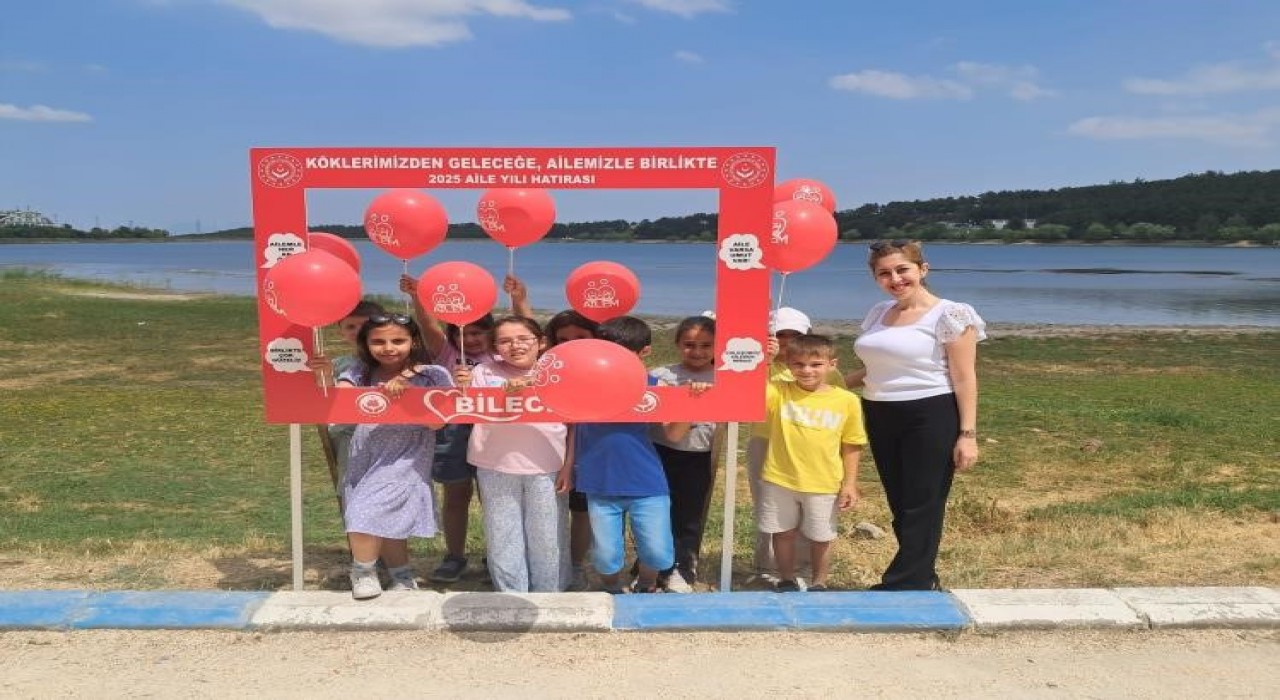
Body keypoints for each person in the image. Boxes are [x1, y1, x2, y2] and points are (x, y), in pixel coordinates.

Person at [847, 239, 986, 591]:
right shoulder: (879, 312)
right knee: (900, 500)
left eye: (902, 269)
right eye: (884, 273)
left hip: (930, 412)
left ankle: (905, 581)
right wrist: (829, 385)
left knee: (923, 500)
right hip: (879, 411)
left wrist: (967, 435)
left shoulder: (952, 314)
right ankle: (923, 576)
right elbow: (873, 366)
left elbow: (965, 376)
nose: (895, 278)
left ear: (922, 270)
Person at [400, 273, 532, 584]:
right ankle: (455, 556)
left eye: (477, 333)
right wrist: (419, 295)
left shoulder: (501, 355)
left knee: (495, 497)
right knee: (456, 494)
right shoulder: (446, 352)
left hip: (496, 433)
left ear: (491, 333)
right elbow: (427, 325)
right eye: (462, 333)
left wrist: (519, 298)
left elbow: (526, 330)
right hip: (453, 432)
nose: (470, 339)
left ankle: (497, 554)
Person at [555, 316, 691, 594]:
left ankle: (647, 584)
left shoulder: (658, 387)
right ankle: (612, 589)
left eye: (625, 352)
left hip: (647, 482)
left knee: (657, 551)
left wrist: (687, 402)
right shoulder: (584, 386)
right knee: (605, 555)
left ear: (645, 351)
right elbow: (573, 429)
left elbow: (674, 435)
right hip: (599, 482)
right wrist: (568, 467)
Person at [335, 313, 453, 599]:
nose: (389, 347)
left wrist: (410, 395)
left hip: (407, 454)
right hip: (367, 452)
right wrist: (320, 374)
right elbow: (341, 398)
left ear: (413, 342)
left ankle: (362, 571)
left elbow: (439, 422)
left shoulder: (433, 375)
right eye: (379, 341)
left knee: (364, 511)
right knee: (387, 518)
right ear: (366, 343)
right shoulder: (359, 371)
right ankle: (402, 575)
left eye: (398, 340)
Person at [454, 316, 570, 592]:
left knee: (547, 535)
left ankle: (549, 593)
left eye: (522, 339)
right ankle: (510, 593)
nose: (514, 346)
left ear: (541, 342)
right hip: (494, 465)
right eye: (504, 341)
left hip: (547, 465)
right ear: (494, 346)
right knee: (503, 533)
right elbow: (467, 407)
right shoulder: (483, 371)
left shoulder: (559, 371)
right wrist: (462, 386)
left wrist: (568, 466)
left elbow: (575, 423)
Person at [746, 307, 847, 588]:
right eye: (781, 334)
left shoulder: (820, 367)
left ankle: (803, 569)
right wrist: (762, 361)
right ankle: (769, 566)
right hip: (766, 442)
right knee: (770, 509)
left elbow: (836, 400)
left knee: (810, 510)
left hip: (811, 446)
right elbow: (750, 394)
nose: (787, 340)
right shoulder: (763, 363)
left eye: (795, 335)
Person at [759, 334, 867, 592]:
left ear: (832, 364)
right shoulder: (779, 390)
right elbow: (756, 395)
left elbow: (852, 444)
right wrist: (765, 362)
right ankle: (786, 579)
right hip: (779, 478)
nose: (806, 370)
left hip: (824, 482)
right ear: (788, 365)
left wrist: (849, 484)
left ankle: (819, 582)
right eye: (798, 364)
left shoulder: (847, 401)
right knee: (782, 532)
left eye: (816, 364)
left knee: (821, 536)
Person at [649, 315, 717, 591]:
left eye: (705, 345)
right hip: (660, 451)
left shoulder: (724, 376)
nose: (697, 352)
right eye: (690, 345)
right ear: (678, 344)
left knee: (689, 514)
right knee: (656, 509)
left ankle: (683, 565)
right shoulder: (662, 375)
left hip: (700, 454)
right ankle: (651, 564)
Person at [545, 309, 600, 591]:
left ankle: (576, 566)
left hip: (586, 452)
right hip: (545, 453)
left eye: (580, 336)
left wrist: (571, 462)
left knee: (582, 512)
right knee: (549, 514)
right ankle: (549, 566)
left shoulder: (601, 367)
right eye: (563, 338)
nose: (571, 343)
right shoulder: (545, 369)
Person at [308, 300, 387, 490]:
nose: (359, 331)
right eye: (351, 326)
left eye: (365, 325)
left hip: (388, 438)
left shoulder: (395, 362)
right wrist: (325, 376)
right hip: (349, 439)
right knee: (353, 489)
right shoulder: (337, 365)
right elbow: (329, 403)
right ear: (341, 332)